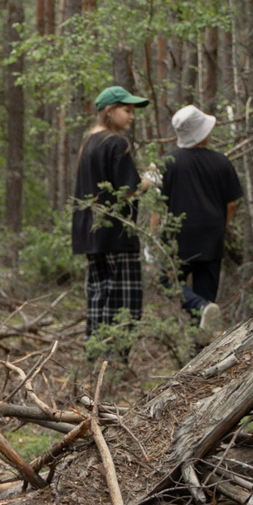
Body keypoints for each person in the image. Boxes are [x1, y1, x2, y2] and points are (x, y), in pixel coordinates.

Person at [72, 87, 150, 341]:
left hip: (91, 234)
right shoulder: (115, 143)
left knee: (99, 298)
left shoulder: (89, 141)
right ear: (110, 111)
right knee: (124, 303)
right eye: (126, 110)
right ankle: (116, 361)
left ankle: (96, 358)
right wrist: (150, 179)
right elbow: (129, 191)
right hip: (117, 235)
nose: (132, 116)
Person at [158, 104, 243, 330]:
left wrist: (153, 238)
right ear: (204, 133)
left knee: (167, 280)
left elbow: (158, 205)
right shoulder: (221, 162)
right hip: (211, 237)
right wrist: (221, 227)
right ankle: (201, 326)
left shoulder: (168, 162)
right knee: (206, 293)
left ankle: (199, 310)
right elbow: (232, 203)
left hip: (178, 237)